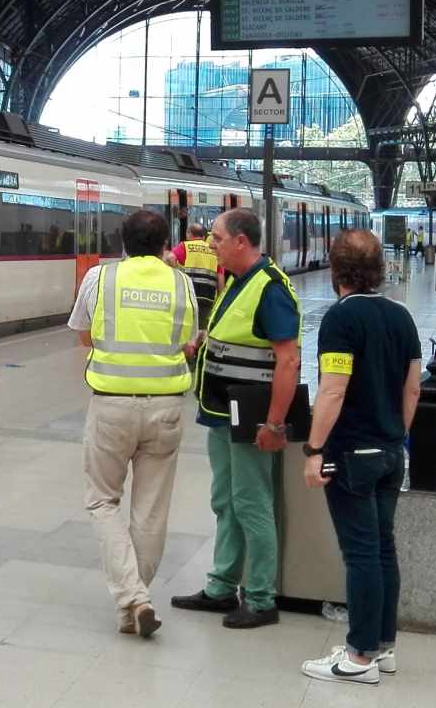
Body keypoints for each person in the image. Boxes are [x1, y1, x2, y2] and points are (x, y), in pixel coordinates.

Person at [301, 230, 422, 685]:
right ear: (379, 268)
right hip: (391, 451)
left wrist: (314, 450)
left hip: (353, 453)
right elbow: (413, 387)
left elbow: (332, 390)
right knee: (383, 548)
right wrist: (397, 434)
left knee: (361, 554)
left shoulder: (341, 319)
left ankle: (357, 657)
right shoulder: (402, 316)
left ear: (336, 269)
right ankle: (383, 646)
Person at [171, 207, 301, 629]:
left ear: (241, 241)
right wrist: (203, 342)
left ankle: (261, 598)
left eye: (217, 238)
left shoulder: (271, 288)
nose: (211, 245)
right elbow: (238, 335)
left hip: (251, 417)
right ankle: (222, 586)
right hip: (219, 411)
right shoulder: (237, 281)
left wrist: (274, 424)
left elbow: (288, 361)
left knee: (251, 502)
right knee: (225, 500)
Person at [70, 209, 197, 639]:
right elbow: (187, 341)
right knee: (151, 510)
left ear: (122, 242)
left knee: (102, 501)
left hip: (111, 406)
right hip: (166, 408)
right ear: (166, 244)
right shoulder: (182, 283)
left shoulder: (100, 279)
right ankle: (135, 601)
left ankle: (133, 597)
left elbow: (83, 334)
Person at [172, 223, 224, 331]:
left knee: (186, 327)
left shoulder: (186, 246)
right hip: (207, 296)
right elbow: (220, 276)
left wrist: (178, 272)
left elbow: (170, 257)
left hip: (189, 294)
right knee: (202, 329)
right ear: (204, 237)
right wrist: (220, 299)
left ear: (189, 234)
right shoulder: (213, 250)